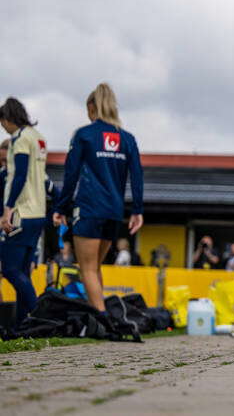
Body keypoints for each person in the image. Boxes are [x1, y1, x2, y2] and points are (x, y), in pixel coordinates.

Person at [52, 83, 144, 320]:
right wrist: (137, 210)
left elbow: (70, 174)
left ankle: (104, 322)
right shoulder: (128, 139)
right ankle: (103, 317)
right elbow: (137, 175)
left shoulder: (84, 135)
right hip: (114, 211)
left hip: (90, 207)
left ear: (92, 107)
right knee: (95, 268)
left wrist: (61, 207)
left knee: (87, 269)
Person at [0, 98, 50, 325]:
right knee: (23, 273)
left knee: (10, 270)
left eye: (2, 123)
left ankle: (41, 315)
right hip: (39, 211)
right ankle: (23, 324)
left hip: (22, 211)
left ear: (8, 119)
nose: (3, 128)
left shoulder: (19, 138)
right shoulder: (38, 137)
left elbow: (19, 175)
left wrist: (8, 208)